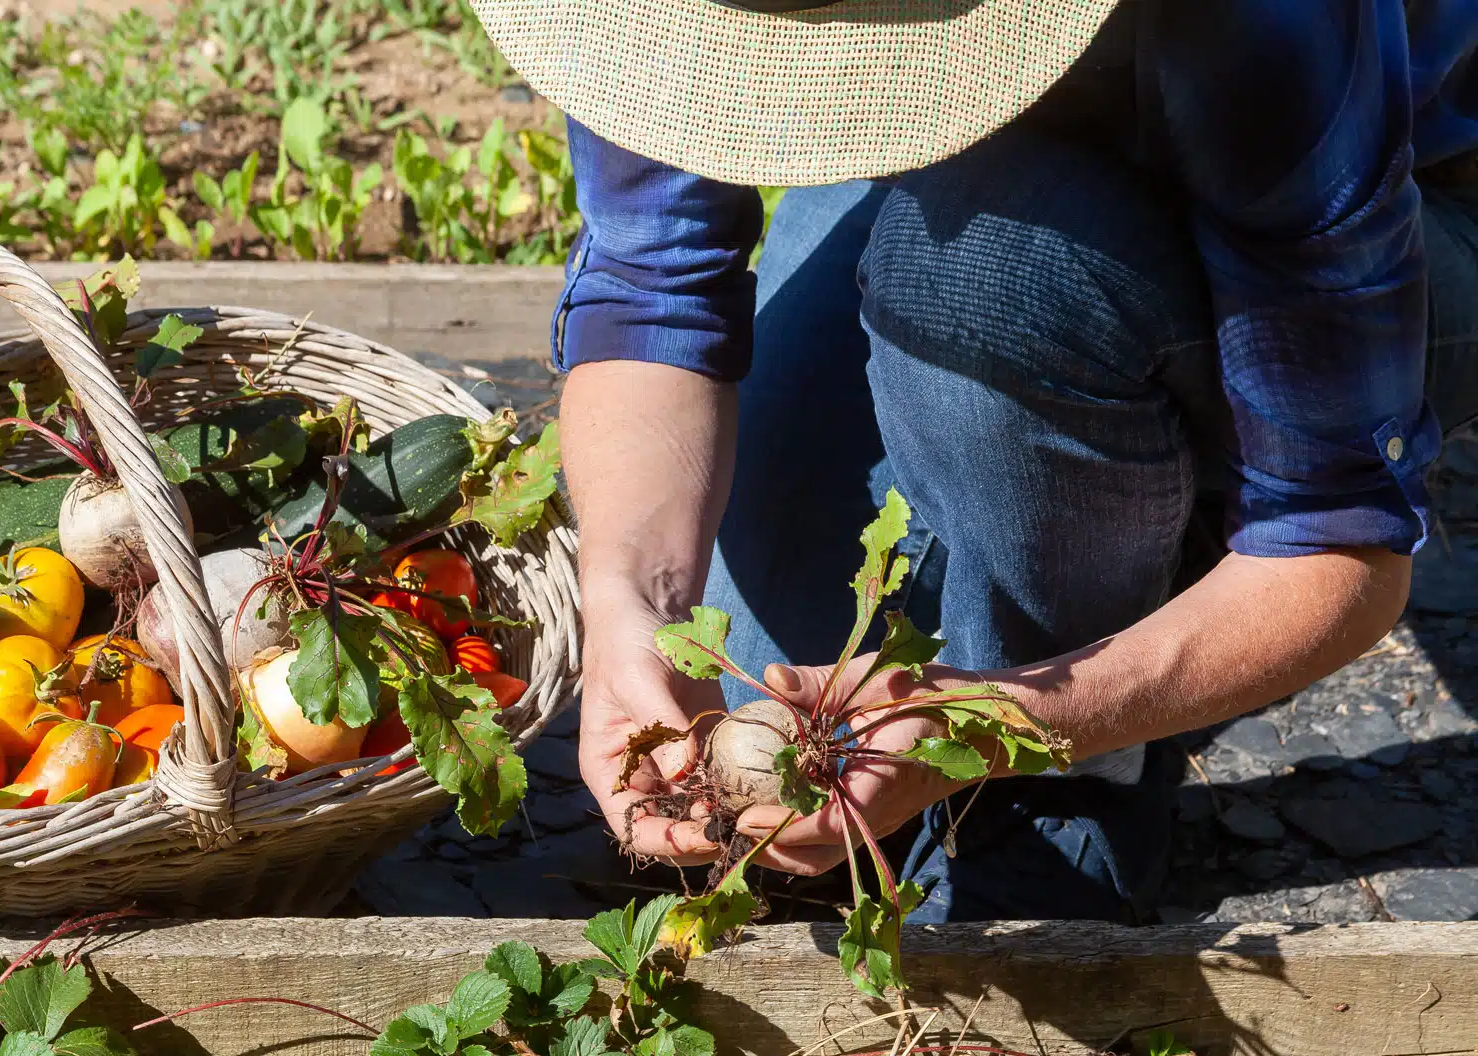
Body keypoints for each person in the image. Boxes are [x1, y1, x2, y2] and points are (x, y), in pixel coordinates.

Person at [464, 0, 1478, 920]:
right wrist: (631, 604)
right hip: (960, 178)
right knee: (751, 689)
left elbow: (1343, 542)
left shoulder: (1272, 27)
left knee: (986, 277)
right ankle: (1069, 510)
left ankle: (1081, 774)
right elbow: (654, 287)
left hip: (1389, 202)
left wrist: (1001, 720)